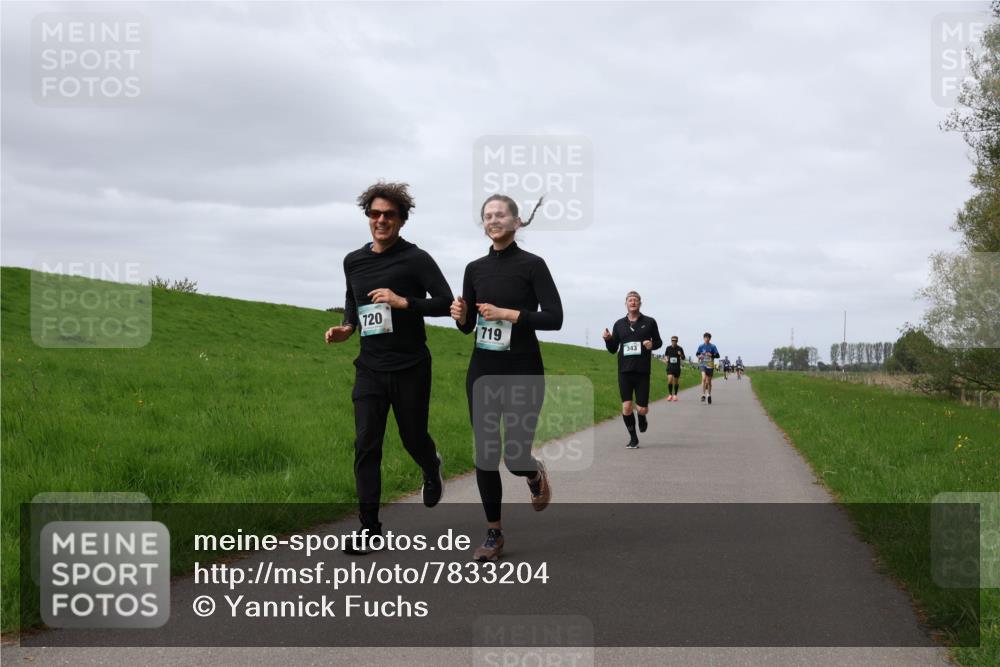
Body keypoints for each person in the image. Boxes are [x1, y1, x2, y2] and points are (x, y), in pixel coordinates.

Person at [326, 181, 451, 555]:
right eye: (375, 214)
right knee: (366, 445)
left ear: (401, 220)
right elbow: (353, 299)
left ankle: (431, 467)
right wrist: (348, 327)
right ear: (368, 216)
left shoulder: (416, 259)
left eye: (389, 215)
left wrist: (403, 301)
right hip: (370, 367)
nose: (381, 220)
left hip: (411, 364)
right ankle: (370, 528)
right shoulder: (353, 260)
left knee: (413, 436)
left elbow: (445, 302)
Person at [450, 194, 562, 562]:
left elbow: (555, 318)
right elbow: (468, 328)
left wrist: (509, 314)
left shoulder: (533, 265)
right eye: (487, 215)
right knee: (485, 453)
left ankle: (532, 474)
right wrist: (460, 315)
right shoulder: (474, 269)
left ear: (516, 222)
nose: (493, 220)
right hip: (482, 370)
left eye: (500, 215)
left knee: (514, 456)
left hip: (523, 370)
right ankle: (493, 533)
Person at [603, 292, 663, 448]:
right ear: (626, 304)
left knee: (642, 409)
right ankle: (633, 438)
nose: (633, 302)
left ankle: (642, 417)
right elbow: (612, 349)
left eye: (635, 300)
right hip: (624, 371)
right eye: (630, 300)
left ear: (640, 303)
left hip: (642, 371)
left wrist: (652, 345)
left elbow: (658, 342)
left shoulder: (649, 322)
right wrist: (608, 339)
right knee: (627, 406)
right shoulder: (619, 324)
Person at [696, 332, 720, 404]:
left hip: (710, 365)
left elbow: (718, 355)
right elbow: (697, 354)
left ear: (710, 338)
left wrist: (711, 355)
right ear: (704, 338)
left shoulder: (713, 346)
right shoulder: (701, 346)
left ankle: (709, 395)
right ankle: (703, 395)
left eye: (708, 337)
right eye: (705, 337)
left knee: (708, 382)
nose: (706, 339)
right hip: (703, 364)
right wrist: (699, 356)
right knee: (703, 379)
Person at [663, 335, 685, 401]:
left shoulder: (680, 348)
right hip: (670, 366)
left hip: (677, 367)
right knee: (670, 379)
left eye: (675, 341)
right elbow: (666, 355)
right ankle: (670, 395)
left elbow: (683, 358)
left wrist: (680, 354)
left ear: (677, 341)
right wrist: (666, 358)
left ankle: (675, 395)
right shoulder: (668, 348)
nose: (673, 342)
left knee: (676, 382)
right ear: (671, 341)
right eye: (672, 340)